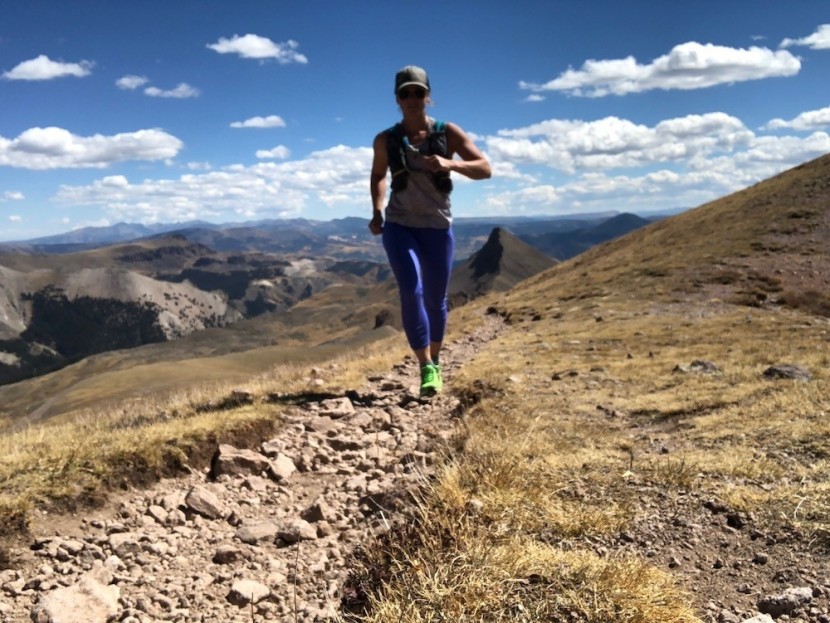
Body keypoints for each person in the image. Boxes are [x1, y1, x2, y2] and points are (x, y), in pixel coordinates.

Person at [369, 65, 492, 396]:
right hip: (399, 225)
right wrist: (377, 211)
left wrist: (451, 163)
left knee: (436, 299)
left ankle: (435, 359)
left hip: (437, 226)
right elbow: (378, 175)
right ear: (397, 98)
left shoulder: (447, 132)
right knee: (411, 290)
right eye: (405, 93)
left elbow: (485, 168)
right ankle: (425, 366)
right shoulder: (386, 139)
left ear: (428, 96)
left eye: (418, 92)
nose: (412, 98)